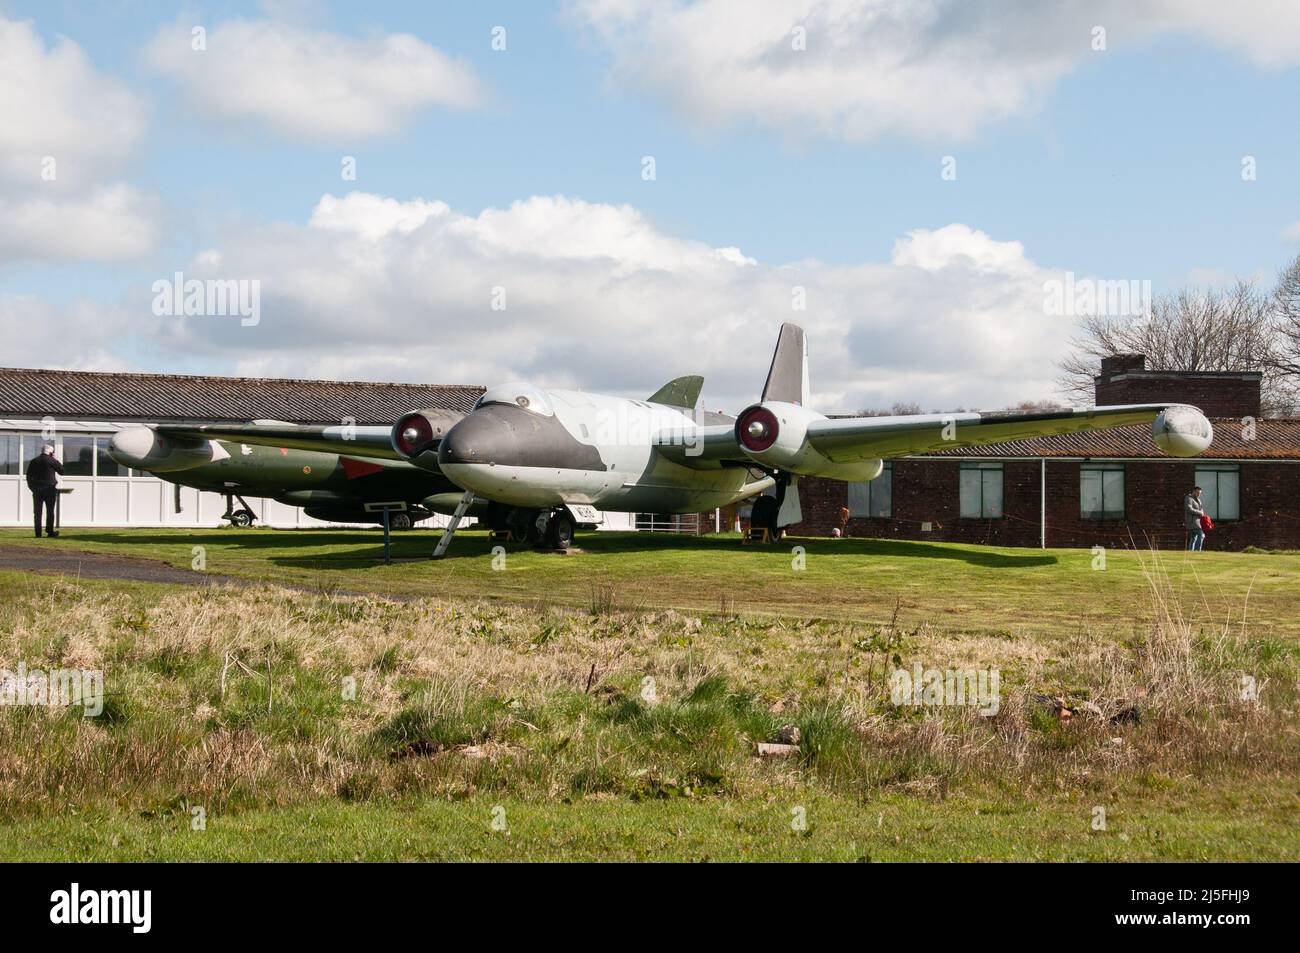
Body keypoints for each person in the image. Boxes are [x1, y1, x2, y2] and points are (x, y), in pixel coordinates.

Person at [25, 443, 63, 538]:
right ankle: (50, 531)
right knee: (50, 511)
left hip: (37, 489)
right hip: (50, 489)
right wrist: (54, 458)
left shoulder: (34, 461)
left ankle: (38, 534)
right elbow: (62, 471)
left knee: (37, 513)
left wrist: (32, 488)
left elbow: (28, 476)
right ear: (50, 453)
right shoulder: (51, 460)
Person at [1184, 486, 1206, 551]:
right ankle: (1197, 550)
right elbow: (1189, 509)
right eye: (1198, 493)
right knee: (1201, 535)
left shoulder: (1198, 500)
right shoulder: (1188, 498)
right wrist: (1200, 512)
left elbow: (1201, 509)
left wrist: (1202, 513)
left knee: (1194, 538)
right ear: (1194, 491)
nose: (1199, 495)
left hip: (1198, 522)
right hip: (1192, 521)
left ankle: (1191, 552)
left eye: (1200, 493)